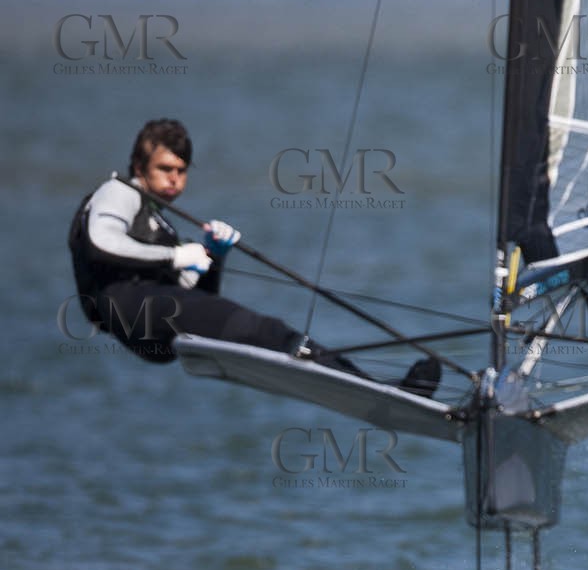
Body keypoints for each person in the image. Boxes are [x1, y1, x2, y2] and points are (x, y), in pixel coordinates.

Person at [68, 118, 438, 396]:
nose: (174, 181)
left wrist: (214, 256)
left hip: (155, 327)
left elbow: (200, 301)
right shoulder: (119, 192)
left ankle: (375, 386)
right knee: (264, 330)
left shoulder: (160, 224)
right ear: (139, 167)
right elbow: (101, 241)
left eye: (181, 172)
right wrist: (175, 255)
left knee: (267, 335)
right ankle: (382, 388)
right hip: (127, 309)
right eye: (165, 169)